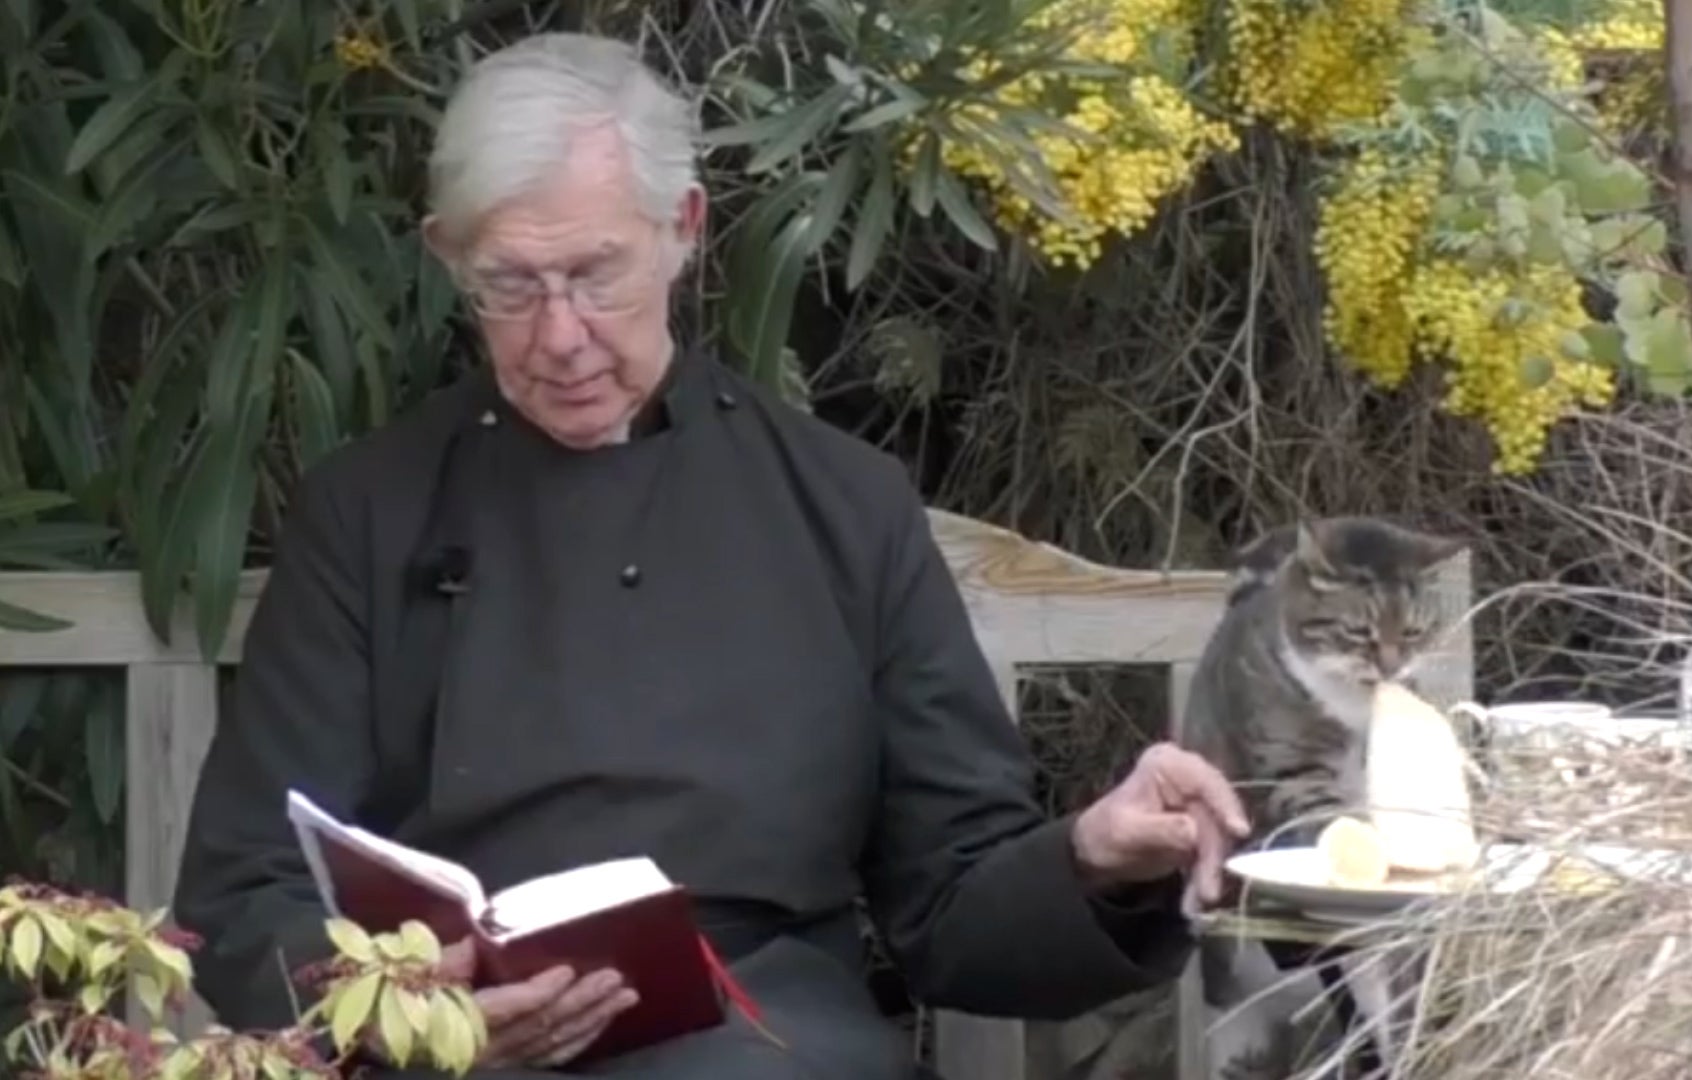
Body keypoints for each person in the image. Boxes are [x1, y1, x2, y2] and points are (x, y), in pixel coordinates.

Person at [171, 30, 1250, 1080]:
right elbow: (243, 883)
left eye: (597, 275)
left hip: (761, 1036)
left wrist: (1092, 860)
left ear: (681, 228)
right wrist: (414, 1016)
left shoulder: (841, 506)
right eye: (509, 285)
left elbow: (951, 898)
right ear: (447, 258)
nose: (559, 335)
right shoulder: (369, 509)